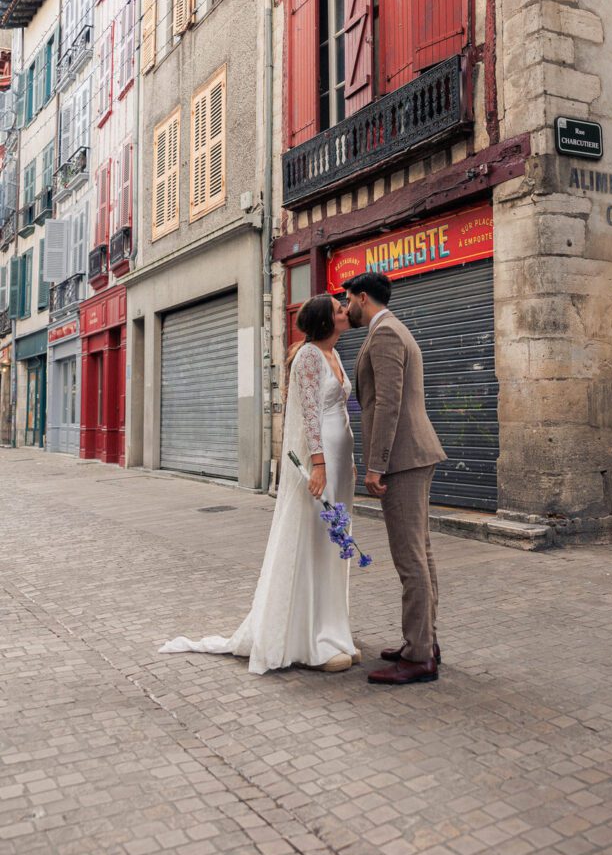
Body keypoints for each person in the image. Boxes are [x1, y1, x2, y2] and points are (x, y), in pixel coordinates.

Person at [158, 294, 359, 674]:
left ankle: (334, 631)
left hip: (340, 461)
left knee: (333, 543)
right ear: (324, 321)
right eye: (337, 309)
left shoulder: (333, 354)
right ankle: (311, 640)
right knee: (316, 542)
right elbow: (310, 416)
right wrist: (318, 465)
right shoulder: (310, 356)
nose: (345, 311)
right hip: (323, 463)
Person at [344, 272, 447, 686]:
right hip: (413, 454)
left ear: (362, 297)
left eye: (347, 298)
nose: (345, 306)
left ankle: (419, 657)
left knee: (410, 561)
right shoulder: (392, 327)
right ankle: (424, 643)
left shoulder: (385, 334)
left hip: (402, 459)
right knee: (421, 554)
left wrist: (376, 464)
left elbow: (387, 403)